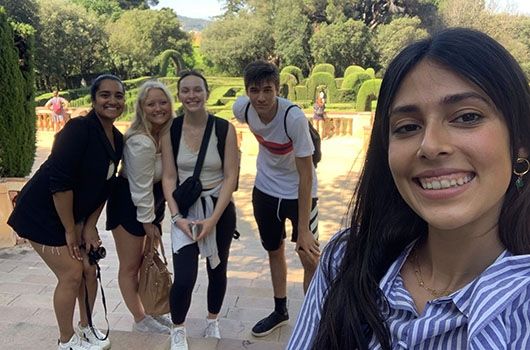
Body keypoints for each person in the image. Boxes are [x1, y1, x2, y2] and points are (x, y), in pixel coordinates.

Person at [288, 28, 530, 349]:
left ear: (521, 143)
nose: (430, 146)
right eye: (408, 127)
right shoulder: (346, 260)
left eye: (467, 117)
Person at [8, 74, 125, 350]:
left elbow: (106, 186)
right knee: (72, 272)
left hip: (74, 217)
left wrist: (89, 226)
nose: (112, 100)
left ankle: (86, 329)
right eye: (105, 95)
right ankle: (66, 341)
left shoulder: (117, 140)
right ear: (95, 99)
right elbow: (59, 184)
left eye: (118, 95)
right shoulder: (78, 129)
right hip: (42, 213)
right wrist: (71, 230)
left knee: (89, 267)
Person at [232, 60, 320, 338]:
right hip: (265, 190)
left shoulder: (291, 117)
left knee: (309, 256)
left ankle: (313, 319)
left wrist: (304, 229)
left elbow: (306, 174)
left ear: (278, 90)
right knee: (274, 250)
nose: (260, 97)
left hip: (300, 193)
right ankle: (280, 311)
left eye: (267, 90)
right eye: (254, 90)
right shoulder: (242, 108)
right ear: (247, 90)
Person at [161, 70, 239, 350]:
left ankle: (212, 319)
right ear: (179, 95)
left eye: (197, 90)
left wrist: (213, 219)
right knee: (183, 277)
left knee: (217, 268)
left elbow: (230, 175)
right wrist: (176, 217)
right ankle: (178, 327)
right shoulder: (171, 130)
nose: (191, 95)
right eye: (185, 90)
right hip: (184, 209)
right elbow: (169, 176)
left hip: (218, 208)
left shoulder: (223, 128)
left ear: (206, 93)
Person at [106, 80, 175, 333]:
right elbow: (140, 188)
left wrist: (157, 217)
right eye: (151, 104)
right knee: (131, 265)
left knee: (148, 260)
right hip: (129, 204)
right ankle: (139, 318)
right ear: (142, 109)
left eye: (163, 102)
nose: (158, 108)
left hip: (151, 204)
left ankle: (150, 311)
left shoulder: (167, 134)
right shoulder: (141, 142)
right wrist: (149, 222)